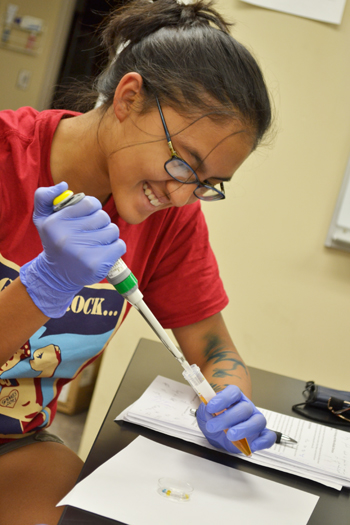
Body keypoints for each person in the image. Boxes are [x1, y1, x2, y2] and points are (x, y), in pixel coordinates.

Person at [0, 0, 276, 523]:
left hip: (15, 441)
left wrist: (228, 398)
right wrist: (43, 286)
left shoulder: (169, 220)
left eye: (206, 184)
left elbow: (214, 348)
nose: (179, 193)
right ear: (128, 97)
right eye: (182, 162)